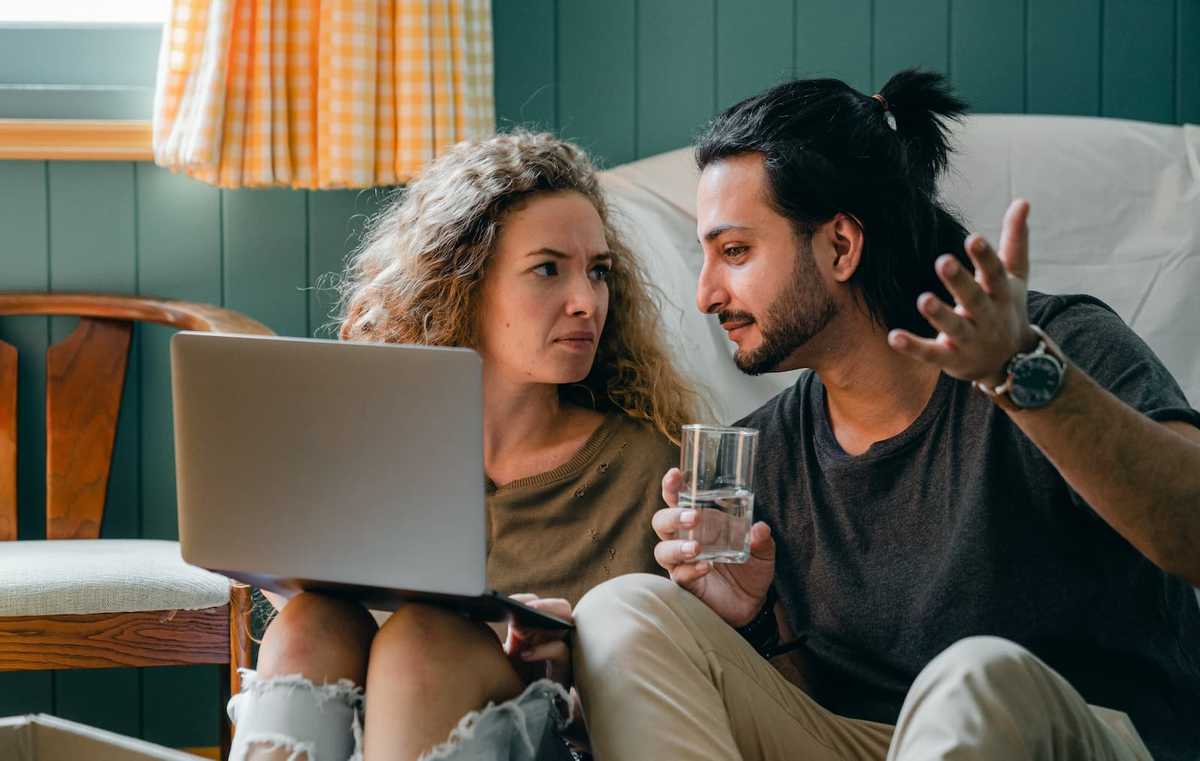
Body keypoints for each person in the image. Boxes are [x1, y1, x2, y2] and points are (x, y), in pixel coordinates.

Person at [571, 69, 1200, 761]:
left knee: (972, 678)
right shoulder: (770, 452)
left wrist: (1024, 379)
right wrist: (749, 622)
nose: (706, 293)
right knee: (619, 610)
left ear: (840, 245)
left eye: (735, 251)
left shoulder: (1053, 349)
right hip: (880, 745)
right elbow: (806, 714)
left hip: (1071, 733)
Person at [225, 131, 703, 761]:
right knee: (309, 621)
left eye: (598, 272)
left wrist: (568, 663)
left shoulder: (651, 463)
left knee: (425, 641)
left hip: (562, 742)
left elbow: (679, 696)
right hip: (374, 725)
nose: (587, 301)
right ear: (463, 281)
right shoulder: (374, 447)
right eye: (548, 269)